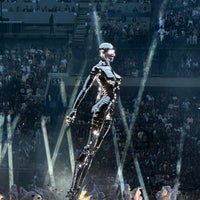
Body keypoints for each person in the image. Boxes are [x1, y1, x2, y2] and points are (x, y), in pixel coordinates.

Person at [65, 42, 121, 199]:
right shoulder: (97, 68)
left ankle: (75, 190)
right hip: (101, 109)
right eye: (110, 51)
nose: (113, 54)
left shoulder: (111, 70)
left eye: (113, 51)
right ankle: (73, 190)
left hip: (109, 112)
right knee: (88, 148)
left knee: (93, 152)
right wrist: (74, 109)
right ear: (103, 52)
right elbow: (85, 89)